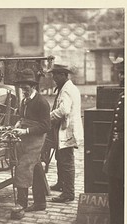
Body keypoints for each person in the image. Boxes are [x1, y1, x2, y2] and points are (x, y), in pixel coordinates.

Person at [11, 68, 51, 219]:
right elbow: (23, 117)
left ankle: (21, 204)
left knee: (23, 167)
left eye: (26, 88)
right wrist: (18, 124)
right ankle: (40, 202)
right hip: (25, 137)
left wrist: (26, 131)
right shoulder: (24, 100)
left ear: (33, 86)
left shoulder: (42, 102)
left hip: (36, 138)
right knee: (35, 168)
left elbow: (46, 126)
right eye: (22, 88)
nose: (23, 91)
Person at [48, 64, 83, 203]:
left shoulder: (67, 89)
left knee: (66, 161)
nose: (54, 78)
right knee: (60, 157)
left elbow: (64, 110)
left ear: (63, 75)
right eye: (53, 75)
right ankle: (61, 183)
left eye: (56, 75)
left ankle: (68, 193)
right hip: (63, 129)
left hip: (67, 130)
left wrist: (48, 117)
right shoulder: (66, 87)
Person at [103, 61, 124, 224]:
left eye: (126, 73)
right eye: (121, 73)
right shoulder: (123, 96)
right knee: (115, 194)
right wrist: (109, 154)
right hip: (118, 155)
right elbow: (114, 129)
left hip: (125, 155)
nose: (123, 77)